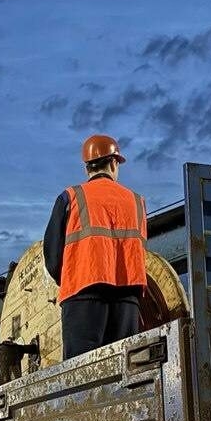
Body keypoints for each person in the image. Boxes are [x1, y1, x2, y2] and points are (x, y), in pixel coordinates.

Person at [44, 134, 148, 360]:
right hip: (127, 299)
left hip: (83, 295)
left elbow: (52, 256)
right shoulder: (137, 201)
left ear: (86, 168)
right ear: (113, 163)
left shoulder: (71, 197)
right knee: (125, 370)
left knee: (82, 372)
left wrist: (71, 277)